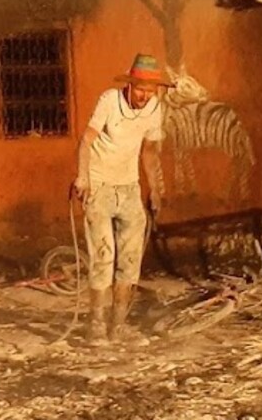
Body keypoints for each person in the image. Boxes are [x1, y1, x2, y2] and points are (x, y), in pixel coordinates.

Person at [69, 53, 172, 342]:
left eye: (150, 91)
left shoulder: (154, 109)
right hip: (100, 187)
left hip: (129, 189)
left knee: (130, 259)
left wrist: (155, 190)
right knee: (103, 257)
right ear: (129, 85)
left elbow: (149, 152)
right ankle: (96, 326)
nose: (144, 95)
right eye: (140, 89)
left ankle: (118, 326)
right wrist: (83, 177)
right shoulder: (109, 101)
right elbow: (86, 140)